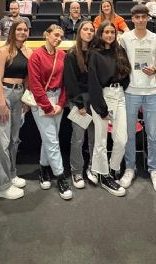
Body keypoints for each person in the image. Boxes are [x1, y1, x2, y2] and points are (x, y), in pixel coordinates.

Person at [117, 4, 156, 193]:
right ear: (132, 19)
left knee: (153, 134)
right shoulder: (124, 39)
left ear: (148, 18)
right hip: (130, 91)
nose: (140, 20)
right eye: (137, 17)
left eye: (144, 17)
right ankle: (130, 168)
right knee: (129, 134)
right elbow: (119, 63)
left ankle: (155, 170)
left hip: (151, 91)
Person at [27, 25, 72, 200]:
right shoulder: (36, 55)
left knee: (49, 138)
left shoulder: (63, 55)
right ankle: (60, 176)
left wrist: (60, 103)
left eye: (61, 36)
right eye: (56, 35)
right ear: (46, 35)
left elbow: (65, 82)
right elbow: (35, 84)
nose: (58, 39)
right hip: (42, 101)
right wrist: (47, 107)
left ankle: (43, 168)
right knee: (52, 140)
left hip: (57, 100)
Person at [88, 21, 131, 197]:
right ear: (100, 34)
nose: (110, 35)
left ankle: (113, 169)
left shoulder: (119, 50)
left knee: (121, 139)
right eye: (106, 32)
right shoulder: (94, 54)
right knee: (101, 141)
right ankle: (103, 176)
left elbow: (126, 73)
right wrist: (101, 109)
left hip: (119, 95)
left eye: (112, 32)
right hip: (102, 96)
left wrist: (121, 87)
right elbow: (93, 82)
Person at [0, 20, 33, 200]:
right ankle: (1, 185)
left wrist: (26, 99)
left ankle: (11, 173)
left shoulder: (29, 51)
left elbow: (28, 78)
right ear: (13, 31)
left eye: (25, 29)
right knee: (3, 141)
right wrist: (1, 103)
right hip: (5, 94)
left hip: (19, 95)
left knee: (14, 139)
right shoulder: (3, 51)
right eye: (19, 29)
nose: (22, 32)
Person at [63, 20, 97, 188]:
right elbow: (70, 82)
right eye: (86, 29)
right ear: (79, 32)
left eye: (91, 30)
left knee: (94, 138)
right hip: (79, 100)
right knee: (78, 138)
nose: (89, 32)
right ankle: (76, 171)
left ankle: (93, 167)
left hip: (95, 100)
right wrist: (79, 105)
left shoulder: (96, 53)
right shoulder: (71, 54)